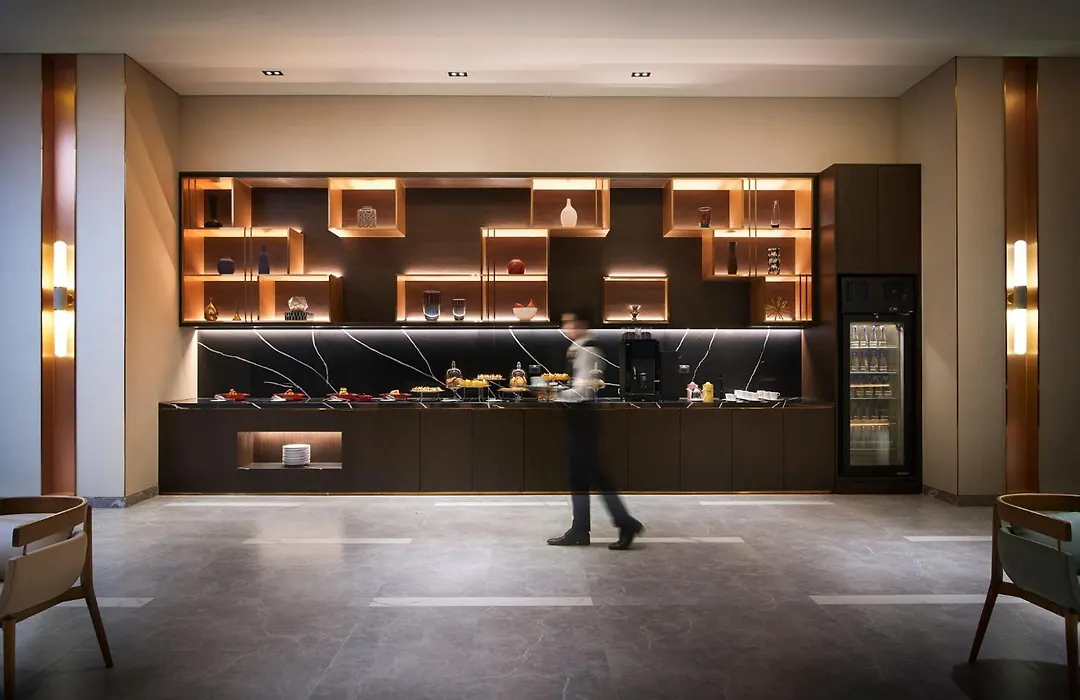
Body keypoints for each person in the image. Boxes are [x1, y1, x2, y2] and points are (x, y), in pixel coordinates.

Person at [547, 307, 643, 550]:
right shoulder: (579, 349)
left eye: (568, 323)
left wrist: (553, 394)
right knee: (579, 477)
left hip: (583, 418)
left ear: (582, 324)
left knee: (595, 475)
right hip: (579, 418)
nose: (564, 328)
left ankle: (625, 522)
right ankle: (580, 529)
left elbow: (584, 391)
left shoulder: (588, 351)